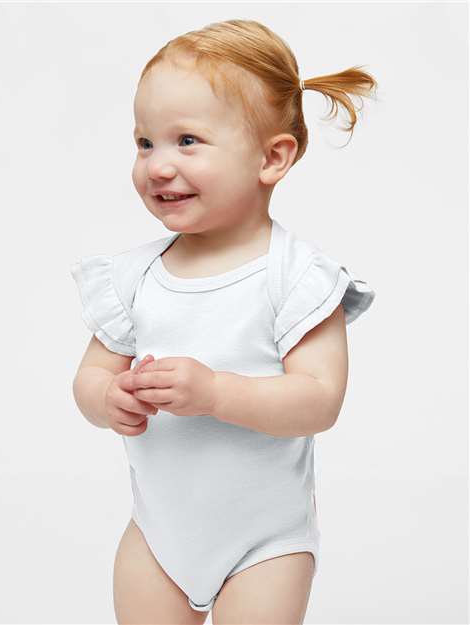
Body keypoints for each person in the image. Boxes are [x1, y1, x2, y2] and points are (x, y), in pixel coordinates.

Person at [71, 18, 377, 625]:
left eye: (187, 141)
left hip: (266, 544)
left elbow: (319, 401)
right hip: (156, 537)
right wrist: (108, 398)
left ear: (272, 157)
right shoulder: (133, 277)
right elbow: (89, 377)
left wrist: (215, 393)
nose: (158, 166)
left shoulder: (295, 278)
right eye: (145, 142)